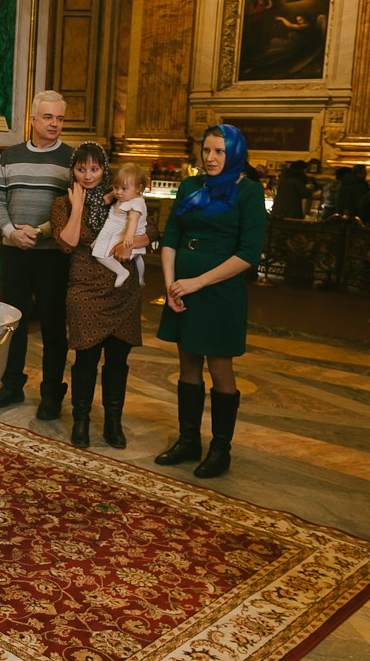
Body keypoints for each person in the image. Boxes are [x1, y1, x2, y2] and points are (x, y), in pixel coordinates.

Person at [155, 124, 267, 479]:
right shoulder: (190, 186)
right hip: (182, 289)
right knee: (187, 364)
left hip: (220, 292)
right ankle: (189, 440)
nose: (211, 157)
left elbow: (249, 253)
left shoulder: (249, 192)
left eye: (219, 151)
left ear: (233, 153)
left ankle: (221, 449)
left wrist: (197, 282)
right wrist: (172, 285)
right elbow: (171, 234)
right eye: (207, 150)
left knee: (220, 368)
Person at [51, 144, 158, 449]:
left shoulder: (125, 197)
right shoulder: (62, 203)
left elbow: (153, 229)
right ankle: (81, 420)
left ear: (104, 170)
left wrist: (130, 241)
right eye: (81, 169)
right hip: (85, 288)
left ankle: (113, 422)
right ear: (72, 171)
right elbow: (68, 244)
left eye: (94, 169)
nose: (87, 175)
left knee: (117, 360)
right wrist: (77, 206)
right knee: (85, 358)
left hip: (122, 289)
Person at [0, 90, 73, 420]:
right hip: (15, 252)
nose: (54, 124)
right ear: (33, 119)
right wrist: (11, 232)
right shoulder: (10, 156)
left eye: (60, 118)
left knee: (53, 325)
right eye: (48, 117)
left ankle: (51, 392)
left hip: (52, 254)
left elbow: (72, 207)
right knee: (14, 323)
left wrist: (40, 231)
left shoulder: (71, 158)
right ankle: (11, 384)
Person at [90, 162, 148, 288]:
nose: (118, 192)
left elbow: (133, 220)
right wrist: (111, 195)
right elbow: (117, 192)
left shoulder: (135, 203)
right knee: (138, 257)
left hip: (125, 232)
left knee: (100, 254)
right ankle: (141, 279)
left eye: (123, 189)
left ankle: (121, 272)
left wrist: (128, 237)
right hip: (122, 229)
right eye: (116, 187)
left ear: (138, 188)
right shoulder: (129, 196)